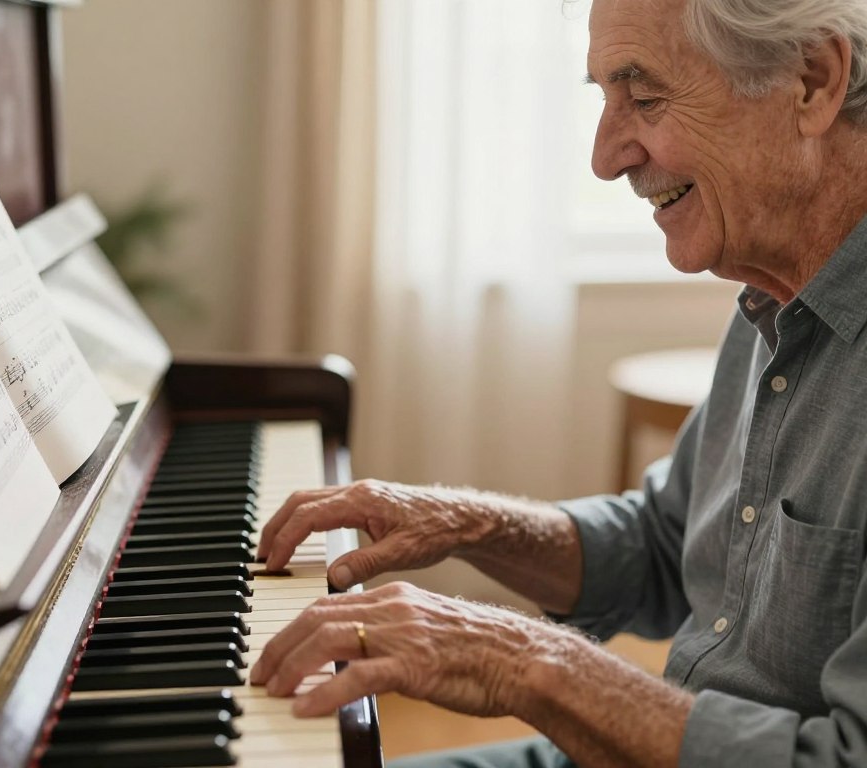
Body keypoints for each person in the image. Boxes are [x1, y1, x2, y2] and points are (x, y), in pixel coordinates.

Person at [248, 0, 867, 765]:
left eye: (644, 98)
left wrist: (522, 661)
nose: (606, 158)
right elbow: (664, 543)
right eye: (603, 97)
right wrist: (464, 523)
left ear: (812, 81)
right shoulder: (769, 288)